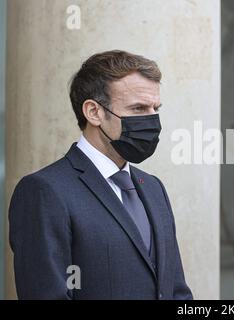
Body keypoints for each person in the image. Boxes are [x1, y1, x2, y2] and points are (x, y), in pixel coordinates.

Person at [9, 50, 193, 300]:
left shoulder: (153, 188)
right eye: (138, 108)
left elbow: (176, 291)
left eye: (155, 108)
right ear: (94, 112)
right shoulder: (45, 191)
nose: (151, 119)